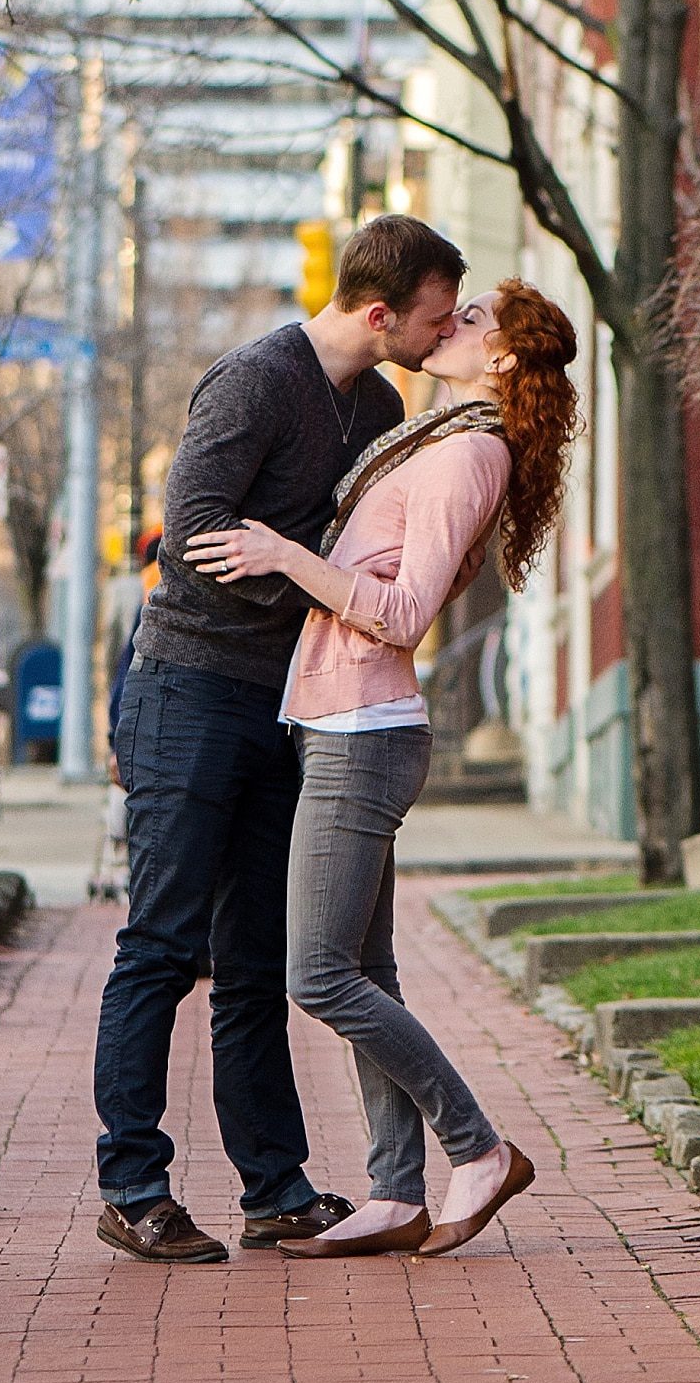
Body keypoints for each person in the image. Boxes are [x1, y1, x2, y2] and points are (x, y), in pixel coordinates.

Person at [93, 213, 466, 1264]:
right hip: (188, 687)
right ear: (380, 309)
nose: (442, 339)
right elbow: (196, 537)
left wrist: (321, 574)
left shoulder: (383, 405)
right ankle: (132, 1185)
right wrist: (325, 574)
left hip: (288, 704)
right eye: (433, 320)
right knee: (163, 944)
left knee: (256, 960)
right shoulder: (255, 380)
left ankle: (275, 1190)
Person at [186, 279, 577, 1258]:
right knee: (363, 966)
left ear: (504, 361)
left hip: (365, 726)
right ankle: (396, 1190)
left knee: (315, 972)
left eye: (475, 317)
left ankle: (475, 1147)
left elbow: (403, 614)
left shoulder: (470, 453)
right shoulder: (437, 436)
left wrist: (280, 552)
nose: (453, 321)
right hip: (335, 717)